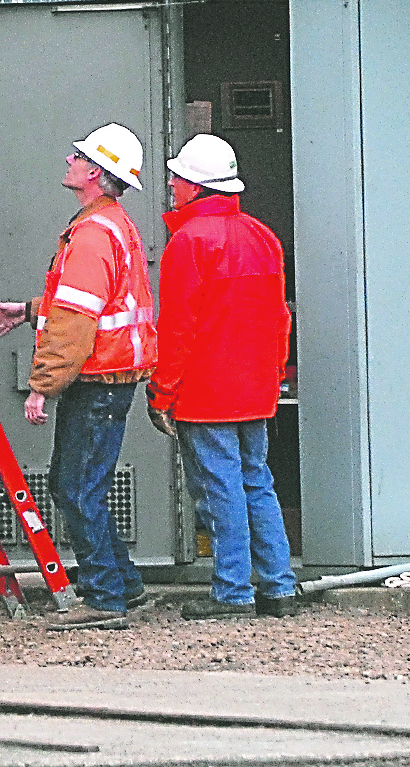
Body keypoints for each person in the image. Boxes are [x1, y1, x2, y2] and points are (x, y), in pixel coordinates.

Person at [0, 122, 157, 631]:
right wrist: (33, 309)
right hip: (111, 378)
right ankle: (122, 585)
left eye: (78, 157)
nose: (69, 162)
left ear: (96, 174)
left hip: (97, 382)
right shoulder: (110, 224)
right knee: (82, 486)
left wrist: (42, 385)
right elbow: (85, 307)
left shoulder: (92, 233)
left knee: (74, 488)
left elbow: (77, 321)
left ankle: (105, 596)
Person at [150, 133, 302, 620]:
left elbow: (177, 330)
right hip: (255, 390)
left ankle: (233, 592)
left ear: (195, 187)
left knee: (221, 489)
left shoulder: (187, 242)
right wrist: (274, 374)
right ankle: (279, 588)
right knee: (256, 482)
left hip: (204, 392)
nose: (171, 185)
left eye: (177, 178)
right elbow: (280, 318)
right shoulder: (262, 236)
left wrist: (161, 393)